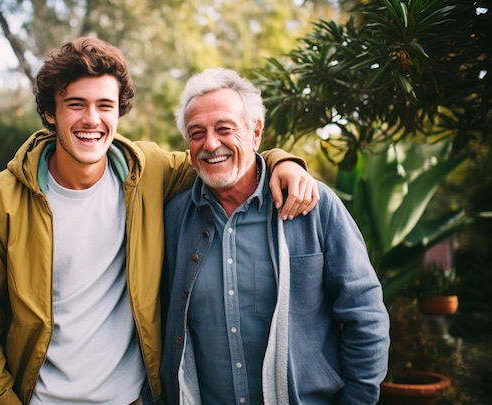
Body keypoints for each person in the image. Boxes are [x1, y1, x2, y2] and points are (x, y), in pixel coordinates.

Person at [0, 38, 319, 405]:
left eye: (105, 105)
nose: (92, 119)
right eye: (76, 105)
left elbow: (221, 156)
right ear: (50, 112)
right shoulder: (1, 200)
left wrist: (282, 161)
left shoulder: (148, 171)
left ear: (118, 113)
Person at [161, 67, 390, 405]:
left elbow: (365, 314)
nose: (210, 144)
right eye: (197, 133)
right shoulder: (174, 216)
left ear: (255, 133)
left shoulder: (314, 204)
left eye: (225, 128)